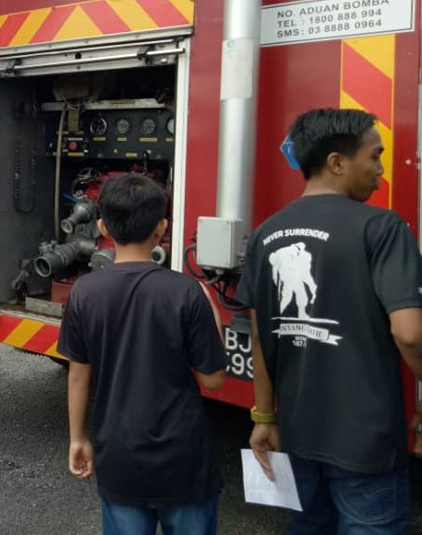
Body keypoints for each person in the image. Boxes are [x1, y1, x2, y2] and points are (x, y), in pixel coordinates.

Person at [236, 108, 422, 534]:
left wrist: (264, 418)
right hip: (366, 446)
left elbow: (260, 337)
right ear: (337, 162)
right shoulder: (383, 228)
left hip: (299, 435)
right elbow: (410, 334)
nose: (380, 170)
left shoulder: (265, 233)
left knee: (309, 524)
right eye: (374, 156)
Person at [59, 173, 226, 535]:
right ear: (161, 228)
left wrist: (78, 438)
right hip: (185, 461)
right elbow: (213, 379)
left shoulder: (84, 292)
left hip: (120, 458)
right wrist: (212, 313)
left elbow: (78, 376)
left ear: (103, 227)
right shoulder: (186, 291)